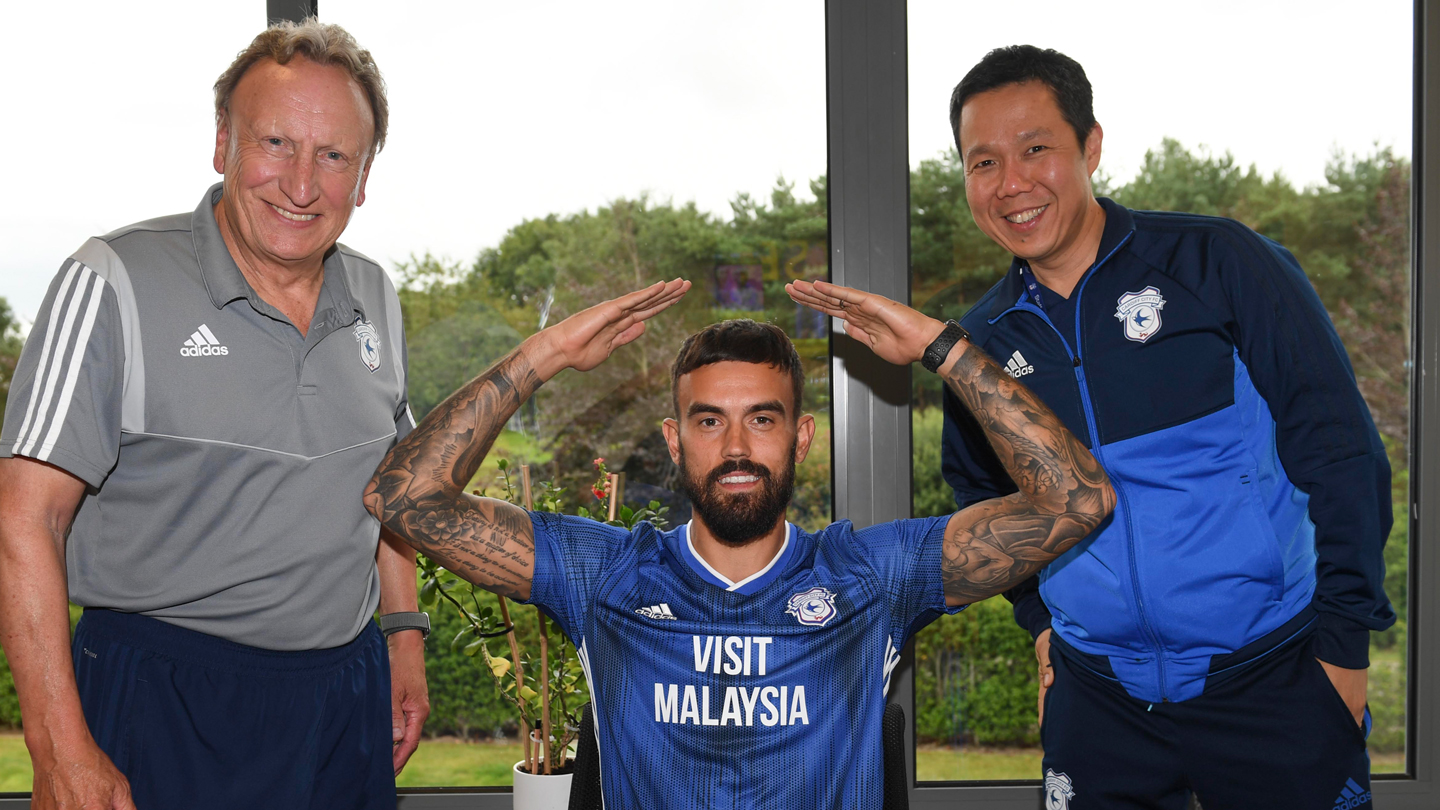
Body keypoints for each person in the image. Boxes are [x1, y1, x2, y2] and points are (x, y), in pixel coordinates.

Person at [364, 277, 1115, 808]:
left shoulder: (871, 576)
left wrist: (943, 348)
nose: (735, 447)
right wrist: (545, 354)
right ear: (675, 440)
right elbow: (401, 496)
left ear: (802, 437)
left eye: (762, 418)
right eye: (707, 420)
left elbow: (1077, 499)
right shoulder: (604, 574)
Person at [938, 45, 1394, 809]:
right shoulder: (982, 340)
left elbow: (1341, 450)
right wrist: (1042, 624)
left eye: (1036, 148)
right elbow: (982, 495)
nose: (1011, 183)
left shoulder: (1217, 263)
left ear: (1091, 146)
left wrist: (1344, 649)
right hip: (1098, 699)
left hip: (1272, 676)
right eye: (982, 163)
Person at [0, 20, 428, 810]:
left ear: (364, 177)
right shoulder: (110, 281)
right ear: (223, 143)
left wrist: (403, 638)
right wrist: (58, 750)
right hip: (163, 696)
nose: (301, 185)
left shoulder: (375, 295)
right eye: (274, 143)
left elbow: (387, 491)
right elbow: (22, 521)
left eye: (334, 156)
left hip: (345, 693)